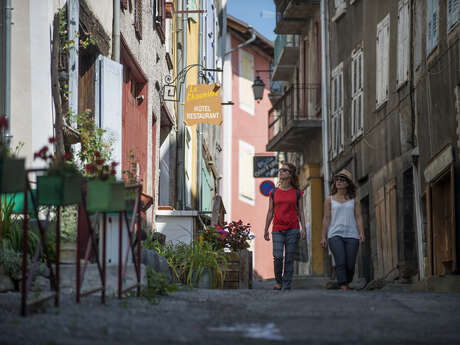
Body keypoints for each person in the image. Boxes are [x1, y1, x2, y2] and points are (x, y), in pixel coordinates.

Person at [264, 162, 306, 290]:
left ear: (290, 174)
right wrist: (265, 229)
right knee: (278, 257)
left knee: (289, 258)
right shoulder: (273, 192)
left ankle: (286, 284)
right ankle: (278, 281)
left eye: (284, 170)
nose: (281, 172)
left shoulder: (297, 192)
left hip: (293, 229)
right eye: (281, 170)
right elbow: (270, 211)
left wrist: (303, 228)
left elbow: (300, 211)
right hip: (277, 229)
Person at [320, 169, 365, 291]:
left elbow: (359, 216)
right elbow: (326, 218)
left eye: (342, 180)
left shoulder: (354, 199)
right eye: (337, 180)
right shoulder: (329, 200)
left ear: (348, 183)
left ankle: (346, 281)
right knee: (340, 260)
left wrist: (361, 232)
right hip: (335, 234)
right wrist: (323, 236)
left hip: (352, 235)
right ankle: (343, 285)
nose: (339, 182)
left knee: (350, 264)